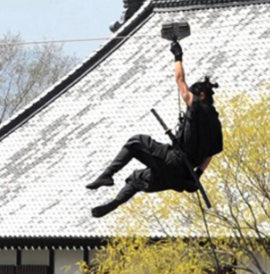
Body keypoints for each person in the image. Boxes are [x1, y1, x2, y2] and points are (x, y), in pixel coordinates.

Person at [84, 37, 222, 219]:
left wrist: (178, 56)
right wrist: (197, 175)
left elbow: (181, 82)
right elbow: (210, 154)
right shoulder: (216, 123)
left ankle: (107, 174)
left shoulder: (198, 106)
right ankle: (115, 203)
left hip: (175, 160)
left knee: (136, 141)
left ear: (201, 95)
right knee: (137, 178)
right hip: (182, 177)